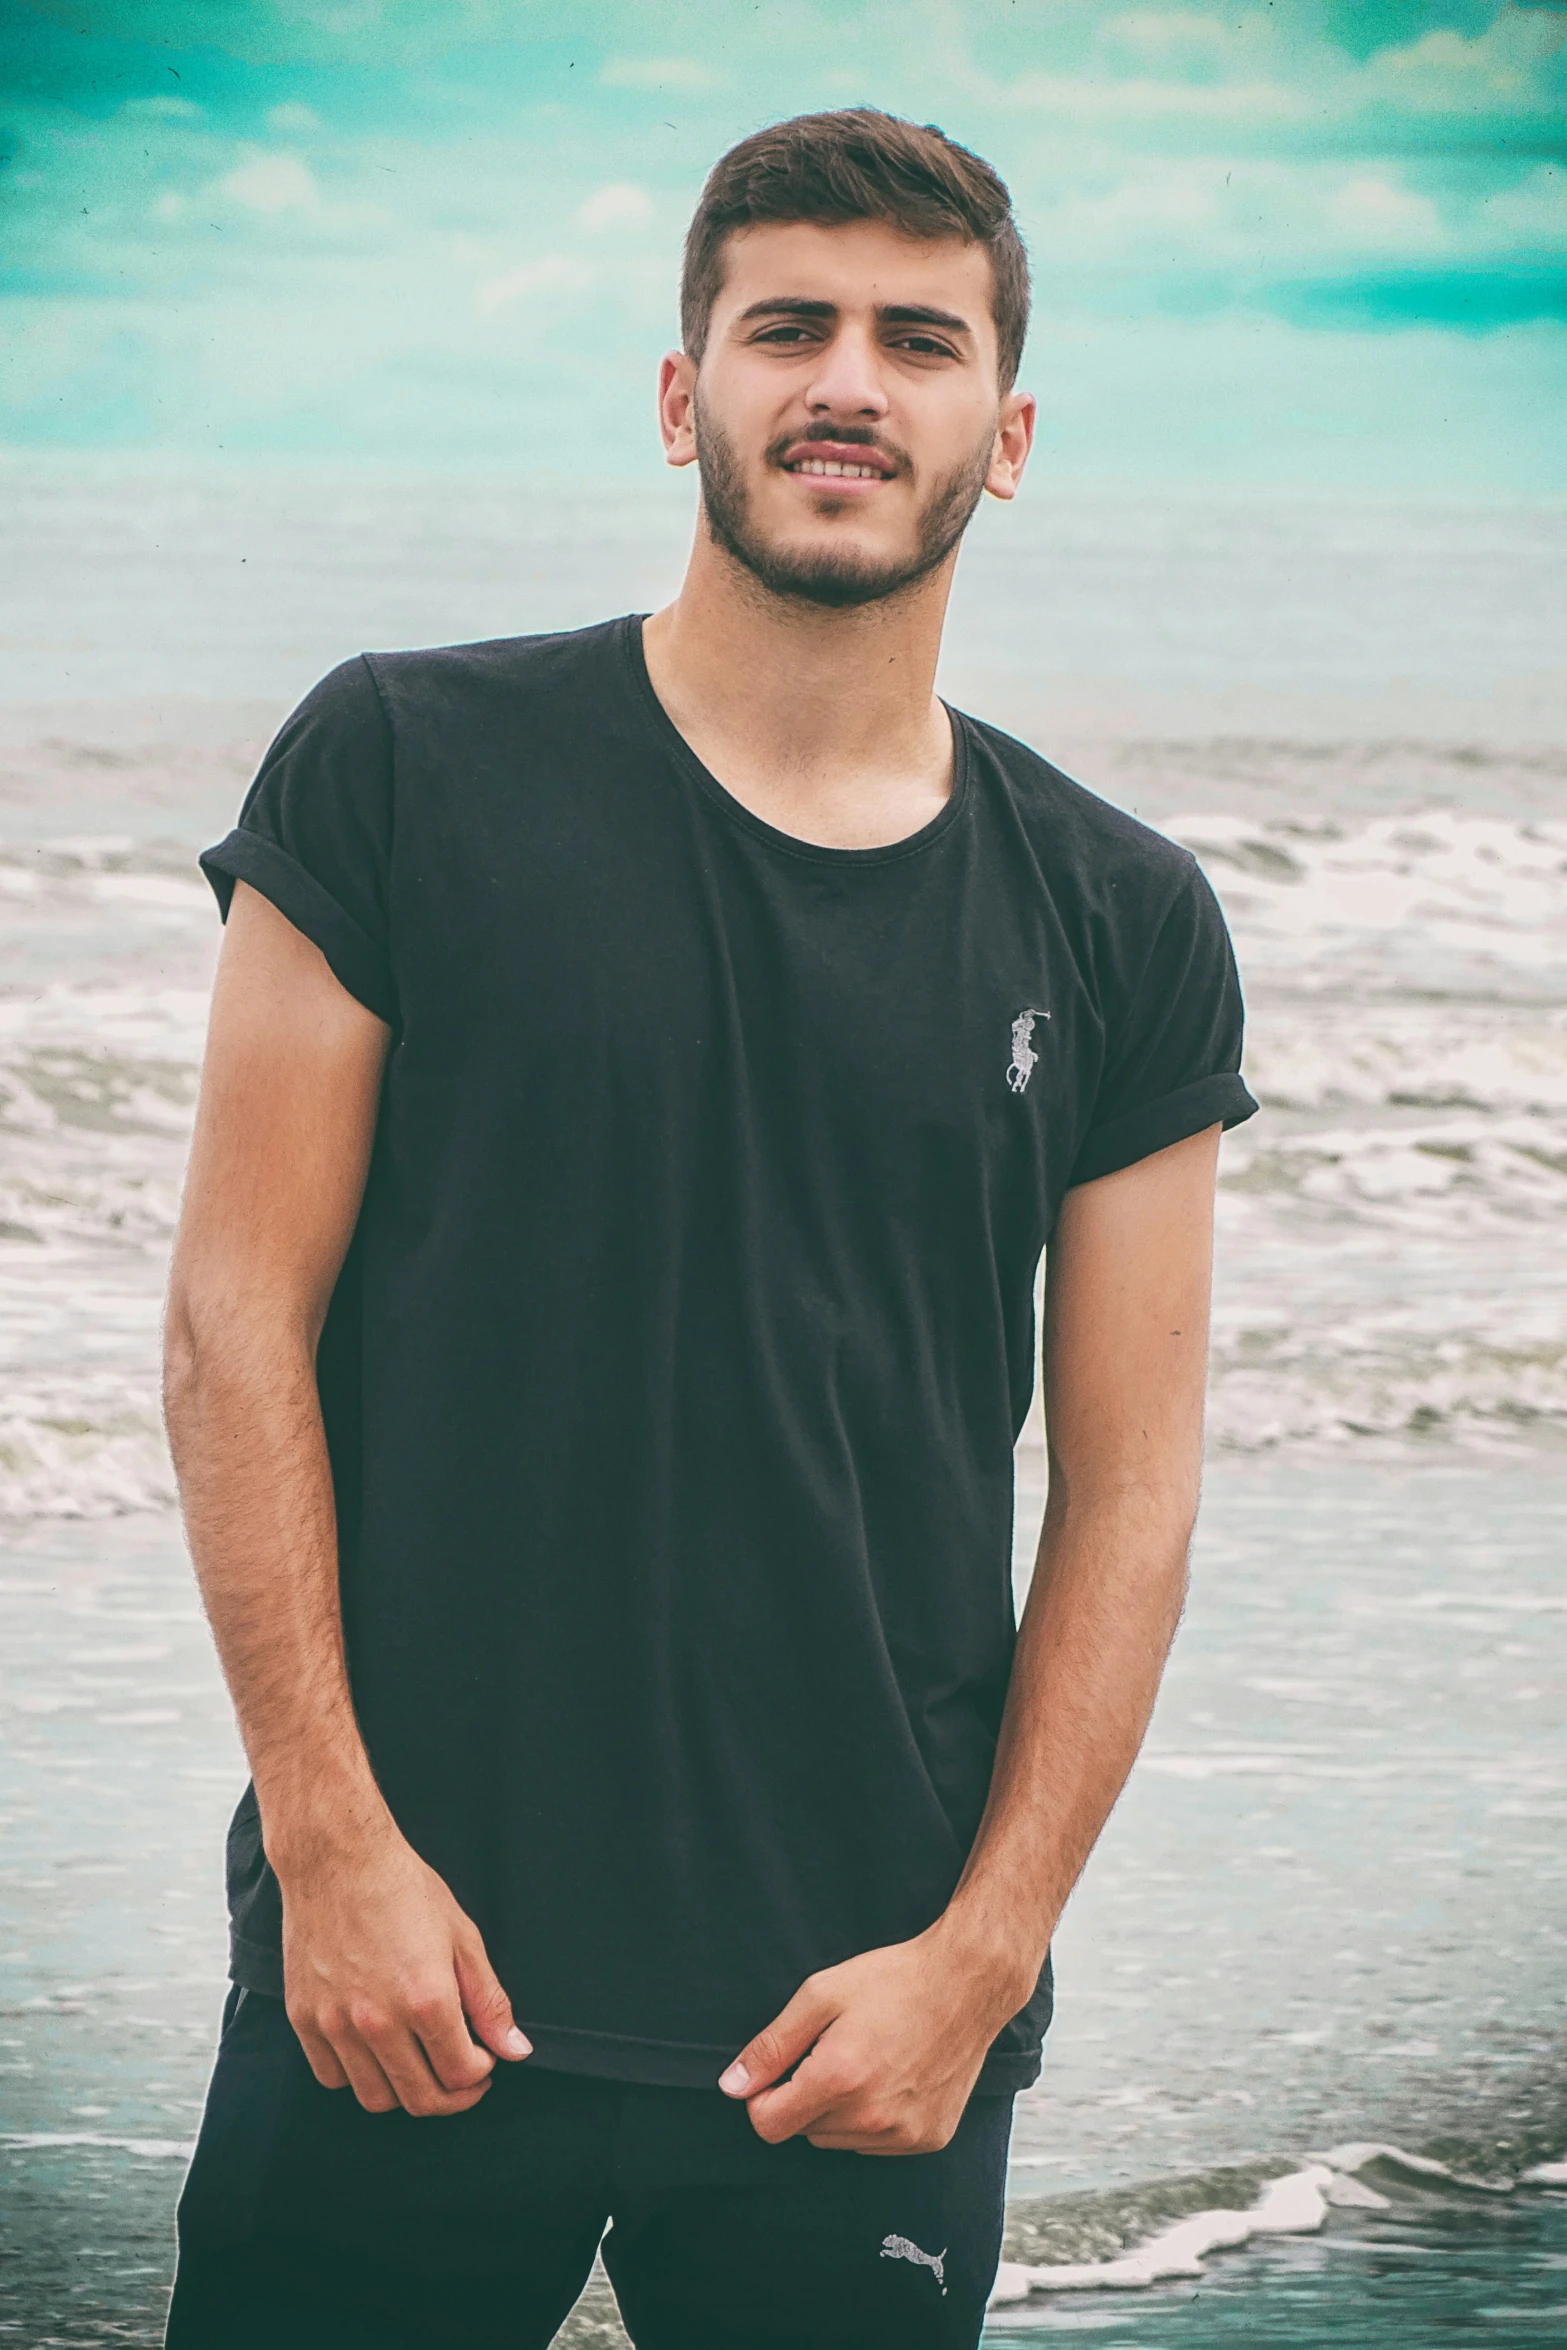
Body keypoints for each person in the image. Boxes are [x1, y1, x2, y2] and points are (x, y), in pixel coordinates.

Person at [162, 107, 1256, 2350]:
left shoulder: (1125, 918)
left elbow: (1133, 1492)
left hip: (862, 2017)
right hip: (407, 1969)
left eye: (918, 339)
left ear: (1007, 432)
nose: (848, 378)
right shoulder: (399, 765)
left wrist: (982, 1958)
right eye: (789, 325)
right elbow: (230, 1320)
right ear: (686, 397)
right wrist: (332, 1849)